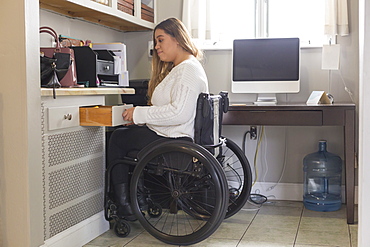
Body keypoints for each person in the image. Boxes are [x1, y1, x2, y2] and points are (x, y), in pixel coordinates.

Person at [108, 17, 209, 220]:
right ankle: (139, 198)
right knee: (127, 133)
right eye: (156, 42)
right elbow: (171, 109)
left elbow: (179, 113)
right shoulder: (182, 68)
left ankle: (125, 205)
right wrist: (141, 118)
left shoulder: (187, 70)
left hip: (173, 140)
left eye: (161, 40)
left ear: (178, 39)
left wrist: (138, 114)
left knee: (117, 138)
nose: (157, 47)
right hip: (169, 134)